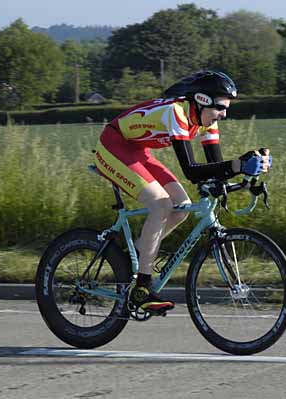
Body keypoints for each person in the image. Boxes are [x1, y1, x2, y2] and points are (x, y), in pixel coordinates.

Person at [93, 70, 271, 314]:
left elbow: (214, 169)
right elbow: (191, 170)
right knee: (160, 203)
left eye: (226, 108)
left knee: (181, 206)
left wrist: (248, 175)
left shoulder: (207, 121)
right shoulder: (176, 112)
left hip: (137, 151)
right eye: (221, 107)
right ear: (201, 100)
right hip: (113, 146)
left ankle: (132, 256)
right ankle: (142, 288)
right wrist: (237, 165)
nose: (224, 114)